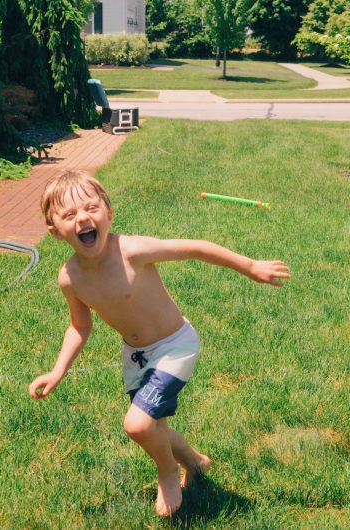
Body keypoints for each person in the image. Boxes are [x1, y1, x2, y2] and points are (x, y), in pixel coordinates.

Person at [28, 170, 291, 516]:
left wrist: (251, 266)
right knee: (154, 428)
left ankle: (167, 471)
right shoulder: (69, 279)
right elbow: (79, 327)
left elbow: (196, 248)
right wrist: (57, 371)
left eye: (91, 208)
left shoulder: (131, 250)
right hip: (136, 357)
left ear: (109, 214)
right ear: (55, 231)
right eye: (69, 215)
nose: (83, 219)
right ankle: (196, 462)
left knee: (137, 425)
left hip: (175, 345)